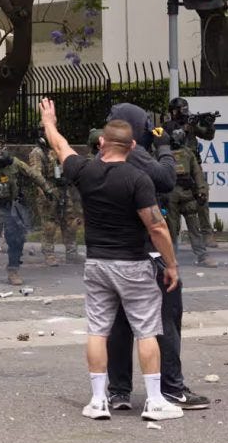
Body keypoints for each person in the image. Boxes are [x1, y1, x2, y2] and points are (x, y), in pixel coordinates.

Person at [39, 98, 183, 421]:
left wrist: (49, 121)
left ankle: (97, 401)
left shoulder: (85, 171)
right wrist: (171, 265)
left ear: (101, 142)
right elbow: (157, 227)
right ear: (133, 145)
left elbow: (60, 146)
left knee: (98, 331)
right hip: (132, 265)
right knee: (146, 332)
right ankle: (156, 401)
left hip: (97, 266)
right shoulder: (138, 179)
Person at [103, 102, 210, 411]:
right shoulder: (133, 153)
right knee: (166, 318)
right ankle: (172, 388)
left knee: (119, 324)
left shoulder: (104, 155)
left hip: (114, 253)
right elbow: (165, 178)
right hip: (146, 251)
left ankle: (119, 391)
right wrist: (164, 146)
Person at [0, 137, 53, 286]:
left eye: (2, 150)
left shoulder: (14, 163)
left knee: (16, 240)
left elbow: (33, 174)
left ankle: (13, 271)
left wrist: (47, 189)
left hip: (13, 206)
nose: (1, 154)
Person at [165, 97, 217, 248]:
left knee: (202, 195)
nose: (176, 113)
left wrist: (209, 124)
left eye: (178, 110)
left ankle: (207, 234)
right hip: (176, 166)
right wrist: (185, 127)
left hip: (193, 164)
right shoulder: (169, 126)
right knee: (175, 204)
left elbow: (208, 135)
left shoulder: (191, 122)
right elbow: (167, 138)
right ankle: (173, 242)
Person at [29, 127, 83, 266]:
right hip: (48, 190)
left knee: (70, 221)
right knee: (50, 225)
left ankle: (71, 254)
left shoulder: (58, 149)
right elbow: (36, 174)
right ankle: (49, 254)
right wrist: (46, 191)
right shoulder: (37, 153)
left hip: (63, 189)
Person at [166, 126, 213, 267]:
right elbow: (156, 172)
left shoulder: (188, 153)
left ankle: (202, 256)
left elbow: (197, 173)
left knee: (194, 227)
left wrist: (201, 190)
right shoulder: (163, 153)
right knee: (171, 229)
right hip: (171, 194)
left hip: (187, 193)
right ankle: (171, 259)